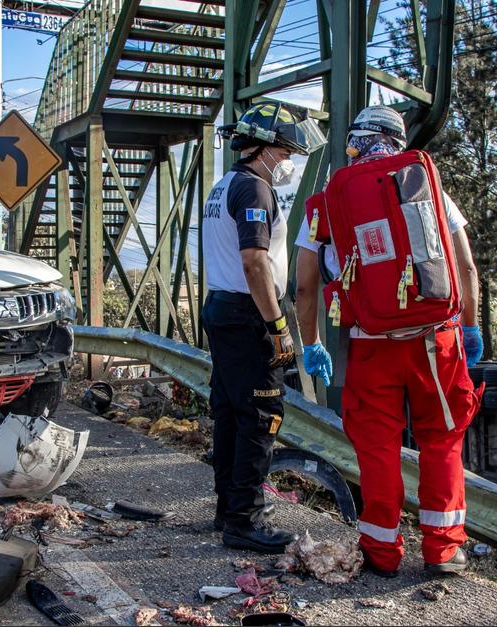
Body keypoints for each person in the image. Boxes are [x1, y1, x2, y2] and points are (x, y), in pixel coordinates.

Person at [294, 104, 484, 575]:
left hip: (370, 340)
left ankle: (382, 551)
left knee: (376, 445)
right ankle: (442, 551)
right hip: (435, 339)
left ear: (355, 139)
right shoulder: (427, 185)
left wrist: (312, 341)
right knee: (441, 439)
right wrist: (472, 326)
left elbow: (303, 284)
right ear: (399, 140)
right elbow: (465, 268)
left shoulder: (326, 200)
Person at [202, 101, 325, 553]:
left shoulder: (224, 185)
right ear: (266, 149)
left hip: (221, 307)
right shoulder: (255, 190)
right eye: (287, 152)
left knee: (231, 413)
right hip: (247, 314)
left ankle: (230, 508)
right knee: (260, 416)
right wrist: (277, 325)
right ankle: (245, 520)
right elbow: (255, 263)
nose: (290, 162)